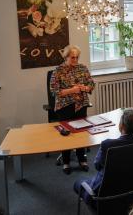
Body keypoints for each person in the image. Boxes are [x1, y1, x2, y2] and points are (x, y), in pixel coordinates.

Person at [74, 108, 133, 204]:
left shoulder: (107, 145)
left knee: (78, 182)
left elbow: (97, 165)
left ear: (121, 125)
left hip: (104, 199)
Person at [50, 44, 95, 174]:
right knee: (66, 134)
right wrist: (72, 90)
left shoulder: (82, 68)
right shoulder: (58, 71)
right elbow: (54, 91)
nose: (75, 60)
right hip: (65, 106)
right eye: (72, 57)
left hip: (81, 105)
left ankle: (82, 159)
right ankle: (66, 162)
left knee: (81, 132)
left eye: (77, 57)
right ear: (66, 57)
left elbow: (91, 83)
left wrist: (86, 88)